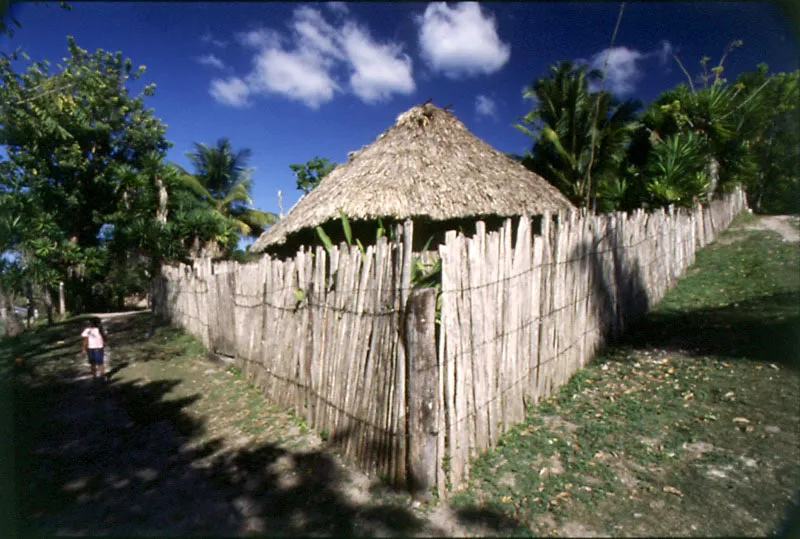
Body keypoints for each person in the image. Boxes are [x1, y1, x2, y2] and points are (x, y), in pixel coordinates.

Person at [81, 317, 108, 381]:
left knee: (94, 363)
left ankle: (96, 376)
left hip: (92, 348)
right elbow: (105, 339)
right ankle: (101, 376)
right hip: (98, 348)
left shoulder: (89, 330)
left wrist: (84, 349)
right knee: (99, 363)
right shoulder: (100, 330)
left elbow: (85, 341)